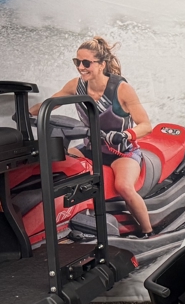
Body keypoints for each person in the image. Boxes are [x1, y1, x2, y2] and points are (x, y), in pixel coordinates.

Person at [31, 37, 154, 237]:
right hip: (89, 148)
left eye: (86, 63)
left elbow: (146, 126)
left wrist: (124, 134)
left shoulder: (122, 89)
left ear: (101, 64)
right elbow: (49, 104)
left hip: (121, 152)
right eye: (77, 62)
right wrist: (26, 113)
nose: (81, 67)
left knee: (123, 186)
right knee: (54, 165)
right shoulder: (76, 85)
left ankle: (148, 232)